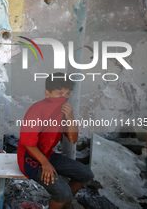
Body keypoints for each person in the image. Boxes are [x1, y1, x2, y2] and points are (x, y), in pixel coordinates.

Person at [17, 73, 94, 209]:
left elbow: (73, 139)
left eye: (67, 94)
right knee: (63, 192)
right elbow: (28, 143)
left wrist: (70, 117)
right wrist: (45, 163)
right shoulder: (37, 110)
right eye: (59, 93)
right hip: (29, 159)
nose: (64, 98)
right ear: (47, 94)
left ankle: (66, 204)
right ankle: (64, 199)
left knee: (85, 173)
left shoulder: (64, 111)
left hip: (47, 155)